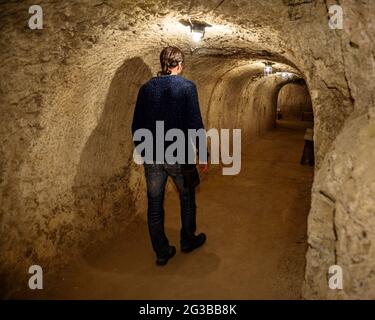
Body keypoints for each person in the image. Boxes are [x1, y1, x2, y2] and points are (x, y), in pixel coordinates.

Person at [131, 46, 208, 266]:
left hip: (152, 156)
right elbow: (195, 124)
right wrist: (202, 154)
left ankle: (162, 251)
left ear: (162, 63)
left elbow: (137, 125)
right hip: (179, 154)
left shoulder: (146, 89)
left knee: (155, 205)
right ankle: (187, 240)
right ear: (180, 64)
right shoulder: (187, 87)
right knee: (187, 198)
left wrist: (145, 151)